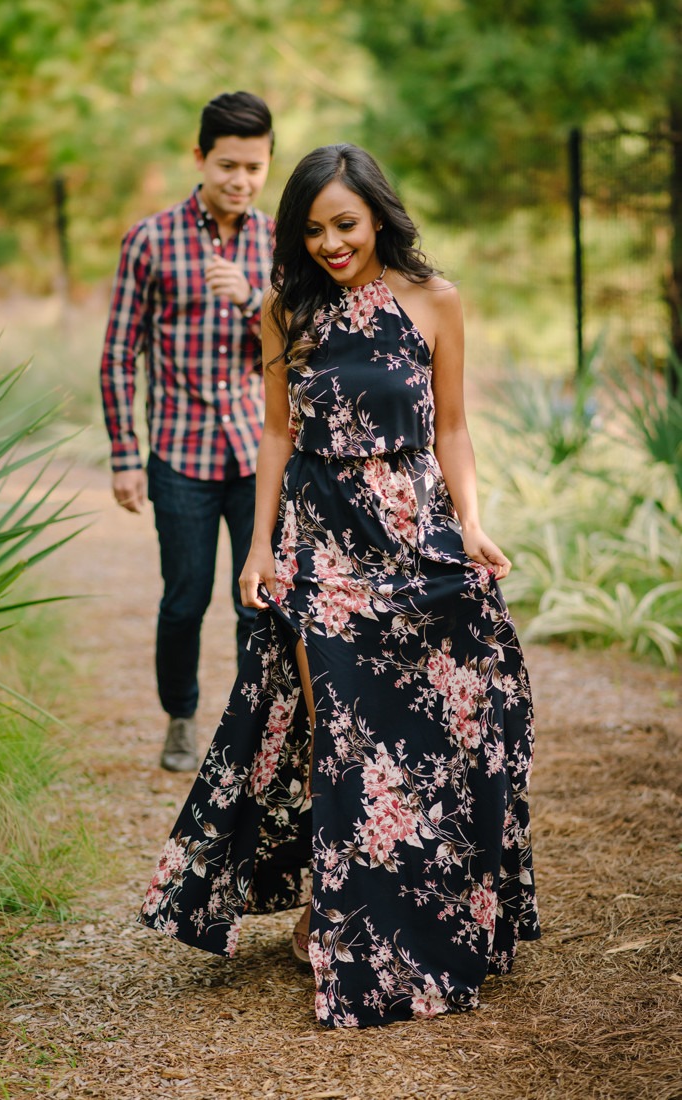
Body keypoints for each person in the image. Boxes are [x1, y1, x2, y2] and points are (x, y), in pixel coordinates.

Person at [139, 143, 540, 1028]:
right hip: (321, 537)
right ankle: (336, 910)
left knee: (458, 705)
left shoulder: (437, 303)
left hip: (415, 530)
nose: (329, 243)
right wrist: (258, 550)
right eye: (312, 229)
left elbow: (456, 430)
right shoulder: (286, 311)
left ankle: (447, 905)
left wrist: (471, 525)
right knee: (342, 726)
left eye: (344, 225)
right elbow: (277, 435)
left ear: (379, 218)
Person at [100, 91, 275, 772]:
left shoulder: (278, 242)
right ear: (199, 157)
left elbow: (301, 348)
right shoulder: (149, 240)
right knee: (185, 597)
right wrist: (124, 456)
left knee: (257, 601)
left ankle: (249, 727)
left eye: (254, 168)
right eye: (228, 164)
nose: (240, 180)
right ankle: (181, 715)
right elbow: (120, 352)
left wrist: (255, 302)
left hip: (260, 450)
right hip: (180, 452)